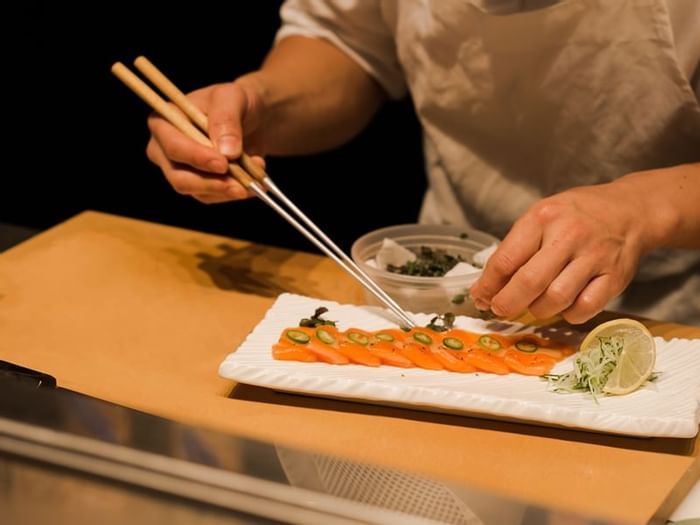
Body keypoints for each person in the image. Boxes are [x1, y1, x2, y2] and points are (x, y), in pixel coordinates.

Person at [146, 0, 700, 325]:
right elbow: (347, 38)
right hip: (437, 290)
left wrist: (641, 210)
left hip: (667, 312)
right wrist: (265, 101)